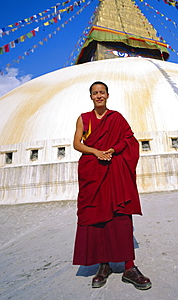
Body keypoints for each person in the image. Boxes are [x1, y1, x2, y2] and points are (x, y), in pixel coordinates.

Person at [73, 81, 152, 291]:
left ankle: (129, 266)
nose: (99, 96)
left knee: (120, 216)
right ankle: (103, 265)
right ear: (91, 96)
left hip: (114, 170)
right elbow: (77, 144)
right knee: (97, 216)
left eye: (102, 92)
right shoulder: (84, 119)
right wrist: (97, 152)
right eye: (95, 93)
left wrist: (113, 149)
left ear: (107, 95)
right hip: (93, 172)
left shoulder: (116, 117)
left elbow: (129, 139)